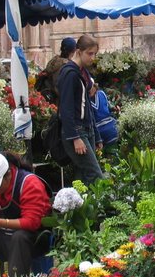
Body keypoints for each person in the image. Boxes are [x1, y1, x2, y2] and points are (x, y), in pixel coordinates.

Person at [0, 152, 52, 277]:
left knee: (19, 237)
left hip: (33, 238)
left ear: (8, 175)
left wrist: (0, 222)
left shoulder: (29, 183)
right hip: (2, 235)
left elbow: (32, 222)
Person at [57, 34, 105, 182]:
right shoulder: (70, 74)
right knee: (95, 175)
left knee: (83, 176)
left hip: (86, 128)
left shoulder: (81, 72)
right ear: (78, 51)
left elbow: (87, 107)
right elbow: (66, 108)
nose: (92, 58)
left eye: (94, 54)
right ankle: (93, 204)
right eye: (89, 54)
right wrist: (75, 138)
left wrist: (96, 135)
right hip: (77, 131)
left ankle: (79, 204)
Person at [36, 37, 76, 102]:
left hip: (49, 98)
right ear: (74, 50)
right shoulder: (67, 66)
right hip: (58, 102)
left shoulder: (54, 61)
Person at [90, 82, 119, 149]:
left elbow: (108, 106)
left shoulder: (101, 93)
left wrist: (113, 108)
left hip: (110, 124)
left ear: (94, 86)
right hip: (97, 129)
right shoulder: (85, 100)